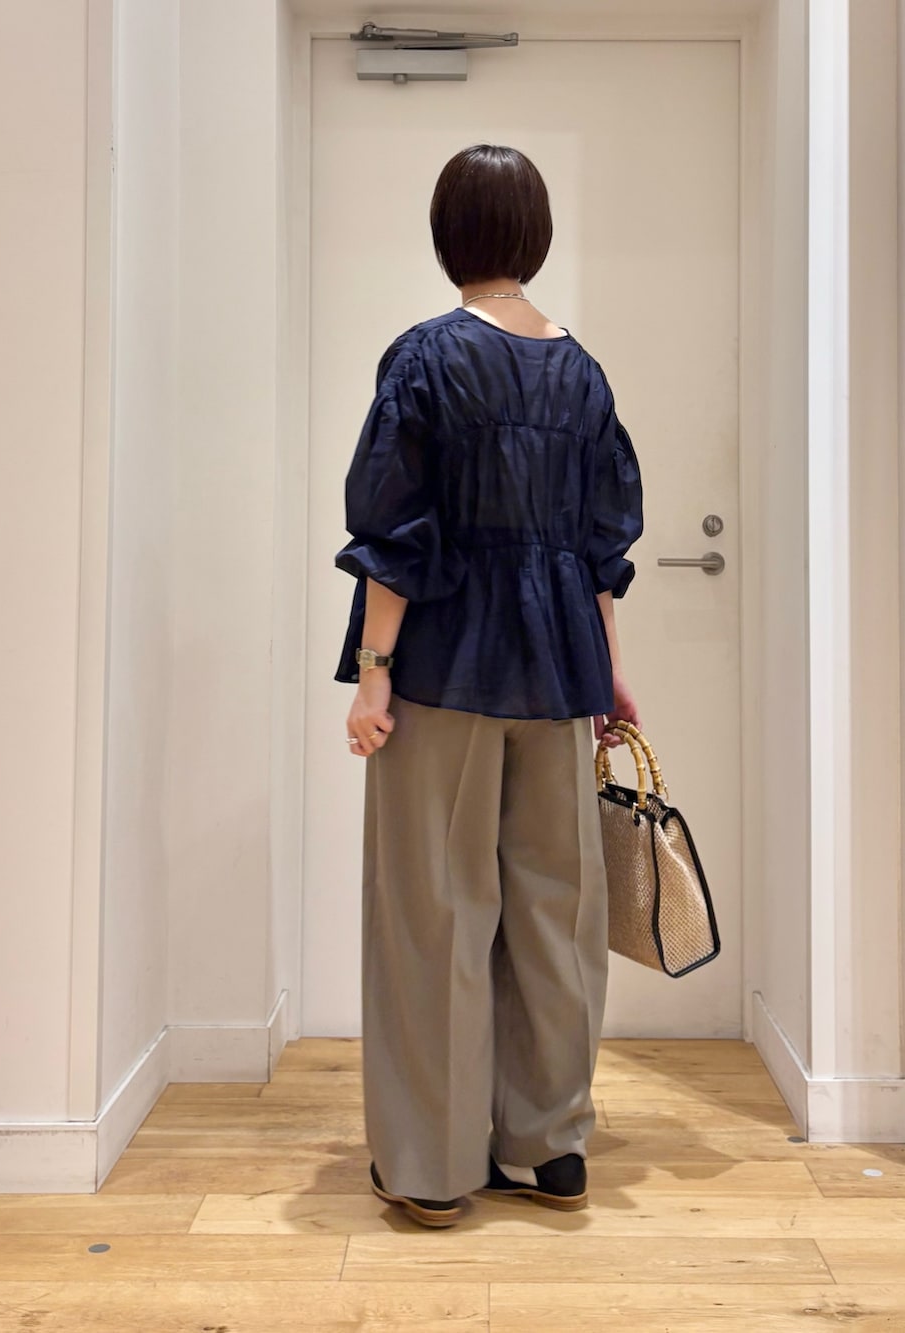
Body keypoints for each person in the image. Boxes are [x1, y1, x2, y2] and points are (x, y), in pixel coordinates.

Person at [333, 143, 644, 1229]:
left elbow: (393, 532)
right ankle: (549, 1148)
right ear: (535, 236)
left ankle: (429, 1162)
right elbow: (602, 546)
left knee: (434, 910)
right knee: (557, 911)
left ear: (448, 235)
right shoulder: (583, 372)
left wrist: (374, 676)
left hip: (446, 669)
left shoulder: (425, 357)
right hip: (559, 672)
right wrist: (611, 673)